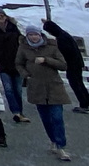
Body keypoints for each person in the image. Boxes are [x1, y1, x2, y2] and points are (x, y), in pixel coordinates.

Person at [16, 24, 71, 161]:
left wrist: (46, 60)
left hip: (54, 87)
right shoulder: (23, 48)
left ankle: (61, 146)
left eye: (36, 34)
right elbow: (18, 63)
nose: (34, 37)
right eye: (31, 35)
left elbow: (63, 65)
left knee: (57, 117)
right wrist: (25, 74)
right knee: (46, 119)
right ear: (27, 36)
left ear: (40, 35)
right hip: (36, 88)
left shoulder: (52, 47)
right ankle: (53, 139)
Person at [43, 19, 89, 114]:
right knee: (79, 83)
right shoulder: (64, 34)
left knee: (76, 84)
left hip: (72, 65)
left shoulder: (61, 39)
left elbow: (65, 52)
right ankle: (86, 102)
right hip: (77, 63)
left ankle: (84, 105)